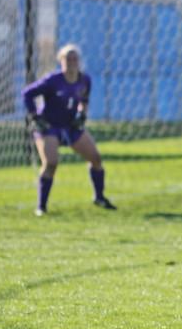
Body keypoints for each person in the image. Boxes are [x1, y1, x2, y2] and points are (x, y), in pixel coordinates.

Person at [22, 44, 116, 216]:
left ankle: (99, 197)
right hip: (49, 127)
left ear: (79, 61)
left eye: (75, 58)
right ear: (60, 61)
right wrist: (35, 117)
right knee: (51, 163)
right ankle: (41, 206)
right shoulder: (52, 80)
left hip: (71, 126)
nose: (72, 62)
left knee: (95, 158)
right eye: (68, 58)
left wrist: (82, 115)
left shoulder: (84, 80)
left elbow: (84, 99)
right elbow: (27, 93)